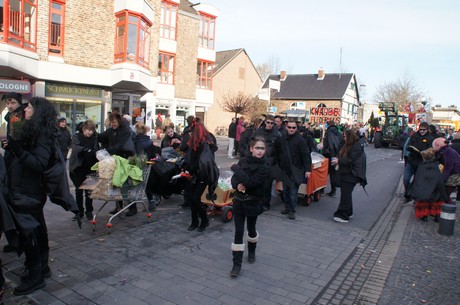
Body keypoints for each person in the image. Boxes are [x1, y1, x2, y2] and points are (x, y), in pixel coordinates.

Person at [2, 97, 58, 295]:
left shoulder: (42, 134)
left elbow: (39, 164)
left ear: (38, 112)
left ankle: (36, 277)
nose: (26, 109)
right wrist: (13, 147)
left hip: (29, 192)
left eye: (30, 107)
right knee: (37, 231)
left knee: (30, 234)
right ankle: (42, 268)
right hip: (25, 190)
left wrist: (17, 149)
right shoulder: (33, 131)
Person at [229, 136, 269, 277]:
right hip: (239, 202)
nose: (260, 151)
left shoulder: (264, 167)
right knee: (238, 232)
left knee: (251, 230)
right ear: (251, 149)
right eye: (257, 148)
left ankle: (251, 251)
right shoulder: (243, 161)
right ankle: (236, 264)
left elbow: (251, 182)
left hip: (253, 203)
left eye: (262, 148)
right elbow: (234, 179)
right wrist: (237, 185)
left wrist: (235, 169)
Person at [181, 122, 217, 232]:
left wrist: (189, 169)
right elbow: (191, 159)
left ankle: (204, 221)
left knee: (196, 198)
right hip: (195, 174)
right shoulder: (195, 144)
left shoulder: (205, 145)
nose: (190, 135)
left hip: (203, 175)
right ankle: (195, 221)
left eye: (191, 132)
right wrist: (185, 168)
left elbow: (200, 162)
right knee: (192, 198)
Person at [98, 112, 137, 216]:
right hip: (114, 160)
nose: (113, 124)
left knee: (125, 184)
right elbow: (102, 136)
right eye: (111, 122)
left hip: (125, 158)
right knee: (116, 183)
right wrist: (93, 133)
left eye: (114, 122)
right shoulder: (111, 131)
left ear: (118, 121)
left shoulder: (125, 131)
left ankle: (132, 208)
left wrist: (107, 150)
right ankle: (119, 207)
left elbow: (120, 145)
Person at [1, 92, 26, 254]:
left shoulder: (19, 117)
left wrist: (10, 146)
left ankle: (19, 241)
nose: (9, 106)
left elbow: (18, 141)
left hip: (18, 163)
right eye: (7, 103)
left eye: (12, 103)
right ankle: (15, 240)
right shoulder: (11, 116)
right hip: (11, 160)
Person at [331, 129, 367, 223]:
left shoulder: (355, 147)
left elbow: (350, 160)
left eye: (345, 136)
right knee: (347, 194)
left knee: (345, 195)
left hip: (350, 175)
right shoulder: (352, 145)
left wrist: (338, 161)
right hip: (349, 174)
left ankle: (343, 214)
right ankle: (348, 212)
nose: (344, 138)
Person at [279, 119, 312, 220]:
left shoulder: (300, 140)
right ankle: (287, 207)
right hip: (285, 169)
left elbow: (306, 155)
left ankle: (292, 210)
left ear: (296, 128)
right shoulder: (283, 137)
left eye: (293, 127)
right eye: (289, 127)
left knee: (293, 192)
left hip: (296, 169)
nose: (291, 129)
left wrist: (307, 170)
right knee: (285, 191)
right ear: (286, 127)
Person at [69, 120, 100, 220]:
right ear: (83, 129)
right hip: (79, 168)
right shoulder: (77, 136)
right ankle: (79, 212)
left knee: (89, 192)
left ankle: (89, 212)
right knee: (79, 191)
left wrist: (92, 152)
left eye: (91, 130)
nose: (89, 132)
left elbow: (96, 150)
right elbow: (76, 148)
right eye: (88, 130)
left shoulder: (94, 138)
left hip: (90, 168)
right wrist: (86, 150)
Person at [407, 148, 448, 222]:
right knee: (438, 196)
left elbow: (417, 181)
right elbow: (440, 182)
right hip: (435, 194)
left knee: (424, 197)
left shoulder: (421, 167)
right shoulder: (436, 167)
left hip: (423, 195)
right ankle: (436, 215)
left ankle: (424, 215)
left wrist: (411, 191)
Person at [254, 114, 283, 211]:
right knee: (257, 182)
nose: (270, 125)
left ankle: (266, 203)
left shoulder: (277, 134)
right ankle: (257, 201)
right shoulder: (259, 132)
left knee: (267, 184)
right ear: (265, 122)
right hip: (258, 160)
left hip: (270, 161)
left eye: (272, 123)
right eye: (268, 122)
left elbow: (280, 149)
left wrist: (277, 161)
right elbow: (251, 143)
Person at [403, 122, 434, 201]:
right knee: (406, 179)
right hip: (411, 161)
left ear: (427, 129)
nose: (422, 131)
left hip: (421, 163)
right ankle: (408, 192)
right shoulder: (414, 136)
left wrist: (424, 153)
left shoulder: (430, 138)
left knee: (416, 181)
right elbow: (408, 145)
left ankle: (410, 195)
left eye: (424, 130)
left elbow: (431, 151)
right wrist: (409, 148)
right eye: (420, 129)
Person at [133, 122, 161, 210]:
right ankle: (151, 202)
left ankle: (132, 206)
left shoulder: (135, 142)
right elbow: (156, 153)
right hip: (148, 165)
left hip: (138, 166)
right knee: (147, 185)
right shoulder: (149, 142)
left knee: (135, 185)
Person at [432, 137, 460, 203]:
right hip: (455, 173)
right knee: (446, 194)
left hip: (455, 174)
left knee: (446, 194)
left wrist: (444, 178)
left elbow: (448, 166)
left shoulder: (447, 152)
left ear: (438, 145)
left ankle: (448, 209)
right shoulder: (446, 150)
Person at [322, 120, 343, 198]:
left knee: (324, 173)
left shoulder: (329, 132)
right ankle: (333, 191)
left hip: (329, 155)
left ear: (328, 125)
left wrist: (328, 152)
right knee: (333, 174)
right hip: (336, 156)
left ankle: (321, 190)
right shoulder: (338, 133)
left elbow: (331, 144)